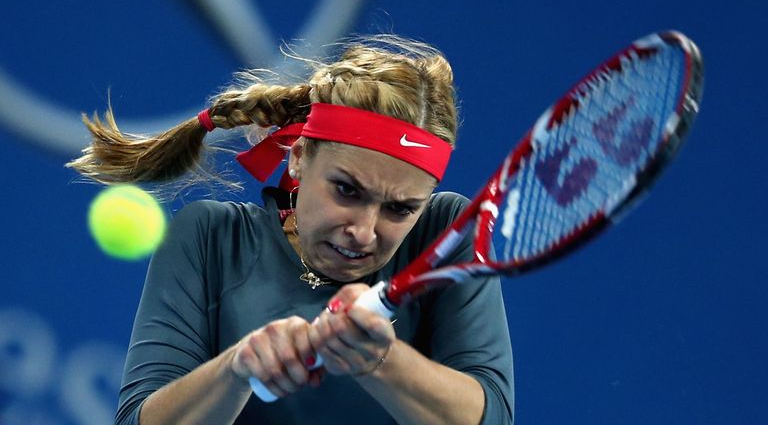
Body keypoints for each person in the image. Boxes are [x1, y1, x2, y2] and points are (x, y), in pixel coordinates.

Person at [68, 35, 514, 425]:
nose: (363, 232)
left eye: (400, 209)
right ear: (298, 157)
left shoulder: (445, 234)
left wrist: (380, 358)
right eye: (347, 191)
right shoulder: (210, 237)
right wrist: (236, 369)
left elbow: (493, 416)